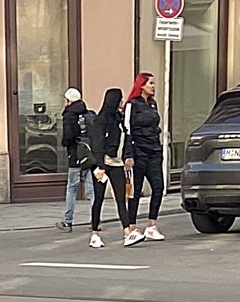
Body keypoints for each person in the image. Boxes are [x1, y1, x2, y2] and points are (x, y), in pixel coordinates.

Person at [123, 71, 166, 243]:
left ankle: (152, 225)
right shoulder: (132, 105)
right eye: (151, 84)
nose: (154, 87)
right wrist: (128, 154)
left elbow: (157, 126)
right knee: (135, 191)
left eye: (154, 84)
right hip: (138, 151)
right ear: (141, 86)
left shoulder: (153, 104)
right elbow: (127, 130)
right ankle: (132, 227)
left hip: (154, 151)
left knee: (158, 187)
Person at [86, 86, 130, 250]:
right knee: (98, 199)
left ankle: (127, 232)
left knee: (121, 198)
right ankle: (95, 233)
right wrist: (100, 166)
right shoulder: (102, 119)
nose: (122, 102)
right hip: (103, 164)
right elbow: (97, 143)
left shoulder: (119, 119)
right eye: (120, 99)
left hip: (117, 163)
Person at [57, 88, 87, 229]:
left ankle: (68, 220)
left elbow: (68, 135)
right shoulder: (86, 112)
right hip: (88, 155)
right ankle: (96, 221)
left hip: (75, 154)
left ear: (69, 100)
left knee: (72, 187)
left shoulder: (69, 114)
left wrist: (65, 143)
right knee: (92, 190)